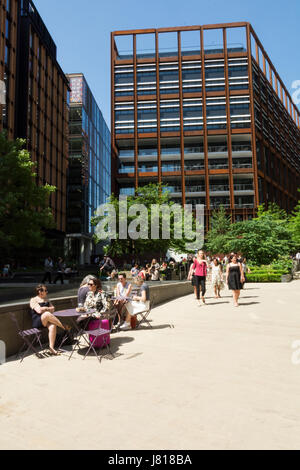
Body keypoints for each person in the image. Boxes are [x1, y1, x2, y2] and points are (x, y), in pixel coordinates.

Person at [30, 284, 69, 355]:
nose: (46, 292)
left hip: (46, 321)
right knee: (47, 314)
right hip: (38, 321)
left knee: (53, 325)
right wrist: (47, 309)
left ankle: (51, 348)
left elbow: (53, 309)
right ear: (40, 291)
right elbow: (39, 311)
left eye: (46, 291)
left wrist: (44, 308)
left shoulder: (47, 299)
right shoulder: (33, 300)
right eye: (45, 291)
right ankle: (63, 326)